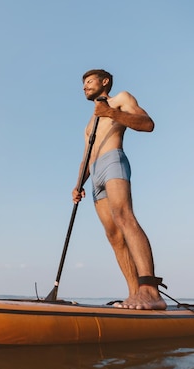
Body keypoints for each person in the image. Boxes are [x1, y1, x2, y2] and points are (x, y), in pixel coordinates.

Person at [72, 69, 166, 310]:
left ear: (105, 82)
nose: (85, 86)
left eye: (89, 82)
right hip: (94, 173)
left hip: (113, 160)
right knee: (113, 235)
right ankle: (135, 294)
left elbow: (148, 124)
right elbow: (86, 156)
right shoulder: (89, 122)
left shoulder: (121, 99)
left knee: (124, 217)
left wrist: (112, 112)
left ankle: (150, 291)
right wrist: (77, 185)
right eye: (83, 84)